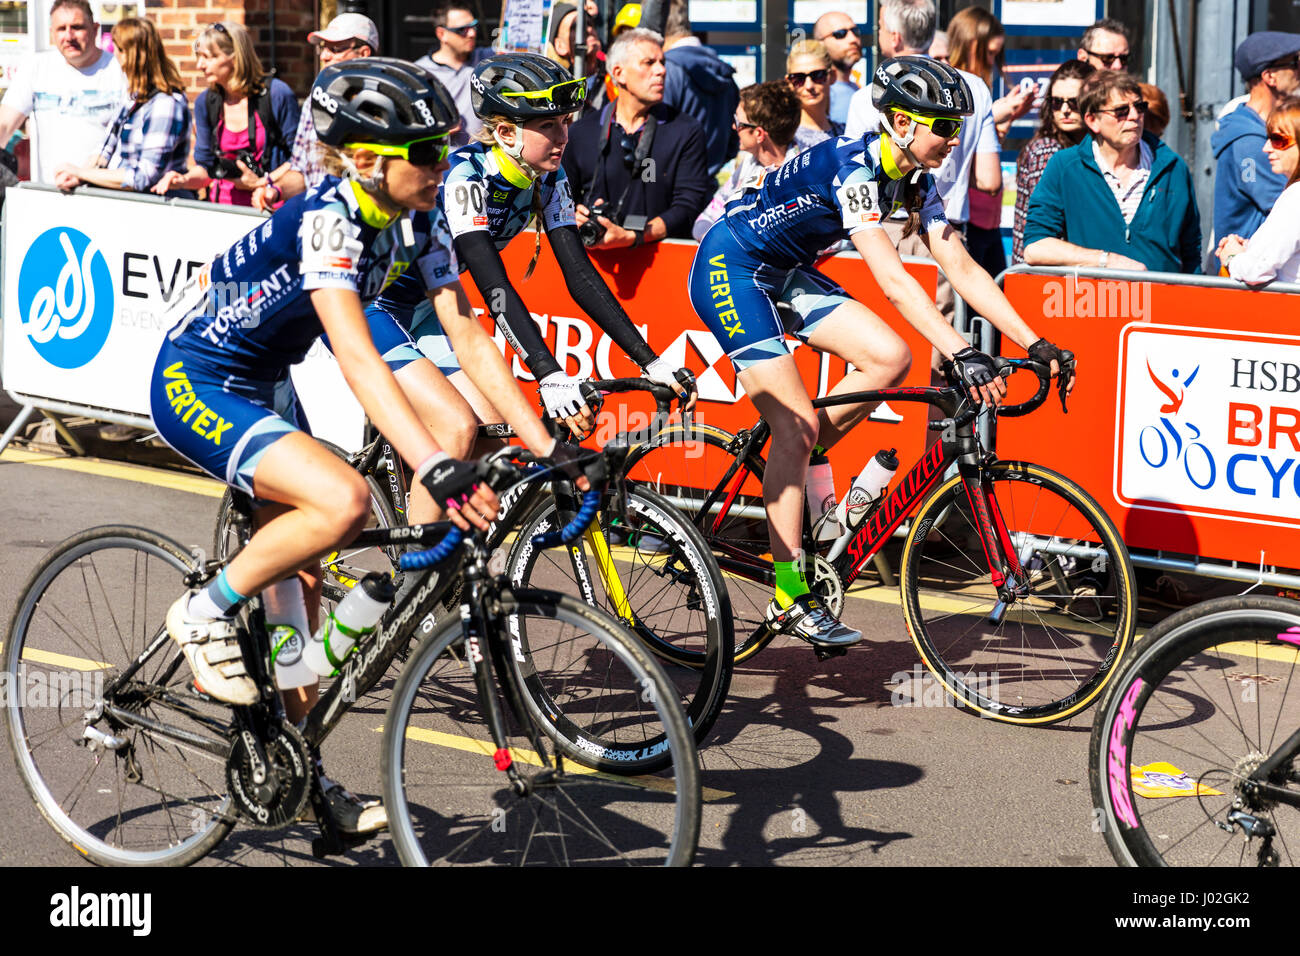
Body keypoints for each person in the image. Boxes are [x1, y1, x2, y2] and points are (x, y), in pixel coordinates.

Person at [149, 59, 501, 835]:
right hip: (197, 379)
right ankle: (202, 613)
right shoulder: (331, 219)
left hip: (265, 379)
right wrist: (437, 466)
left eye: (447, 148)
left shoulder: (409, 218)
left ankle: (299, 772)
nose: (445, 164)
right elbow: (357, 357)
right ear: (372, 160)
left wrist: (549, 443)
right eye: (430, 153)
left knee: (301, 595)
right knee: (344, 499)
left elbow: (466, 334)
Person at [686, 57, 1069, 647]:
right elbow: (893, 282)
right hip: (730, 265)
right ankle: (790, 590)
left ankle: (795, 463)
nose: (954, 139)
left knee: (891, 360)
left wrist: (1036, 342)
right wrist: (964, 351)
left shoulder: (915, 178)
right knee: (794, 428)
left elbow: (960, 265)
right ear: (900, 122)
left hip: (785, 271)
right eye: (943, 126)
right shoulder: (856, 172)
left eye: (959, 126)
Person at [448, 52, 695, 436]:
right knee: (460, 431)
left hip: (434, 305)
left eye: (565, 122)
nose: (564, 137)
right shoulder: (466, 176)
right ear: (506, 133)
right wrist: (547, 373)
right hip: (387, 307)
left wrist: (650, 361)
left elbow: (580, 276)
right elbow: (494, 287)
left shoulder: (549, 176)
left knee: (490, 440)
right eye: (548, 125)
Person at [1023, 69, 1201, 274]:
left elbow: (1192, 254)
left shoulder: (1173, 167)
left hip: (1162, 302)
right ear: (1092, 120)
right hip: (1092, 302)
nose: (1134, 117)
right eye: (1121, 111)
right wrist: (1105, 261)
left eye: (1140, 107)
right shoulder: (1065, 166)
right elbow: (1035, 247)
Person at [563, 29, 712, 248]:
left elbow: (689, 206)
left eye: (662, 62)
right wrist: (573, 216)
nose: (661, 70)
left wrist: (633, 237)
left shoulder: (686, 130)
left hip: (662, 262)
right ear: (619, 73)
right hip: (593, 261)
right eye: (649, 62)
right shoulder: (581, 132)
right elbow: (558, 201)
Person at [151, 21, 298, 205]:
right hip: (224, 210)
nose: (200, 65)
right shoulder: (206, 102)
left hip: (270, 208)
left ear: (236, 57)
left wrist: (263, 182)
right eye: (199, 57)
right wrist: (183, 180)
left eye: (208, 57)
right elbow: (205, 169)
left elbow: (300, 158)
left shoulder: (276, 94)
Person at [250, 13, 379, 209]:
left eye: (335, 49)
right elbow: (302, 172)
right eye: (323, 48)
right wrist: (275, 191)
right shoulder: (315, 99)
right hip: (318, 219)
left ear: (363, 53)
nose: (324, 56)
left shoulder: (381, 104)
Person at [53, 18, 190, 196]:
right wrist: (77, 178)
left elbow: (143, 177)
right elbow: (104, 150)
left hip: (154, 211)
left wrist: (82, 173)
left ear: (128, 54)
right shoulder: (132, 98)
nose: (113, 54)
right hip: (125, 206)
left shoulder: (166, 104)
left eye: (115, 47)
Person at [946, 6, 1032, 277]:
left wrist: (1005, 118)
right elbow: (952, 149)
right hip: (966, 215)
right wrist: (998, 114)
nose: (994, 61)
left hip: (986, 214)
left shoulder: (981, 90)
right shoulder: (948, 89)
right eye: (991, 53)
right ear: (973, 45)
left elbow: (985, 152)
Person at [0, 0, 126, 185]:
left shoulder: (119, 71)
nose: (68, 36)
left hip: (108, 195)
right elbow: (4, 125)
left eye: (77, 27)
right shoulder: (37, 68)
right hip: (53, 195)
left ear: (95, 29)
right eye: (61, 28)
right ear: (52, 32)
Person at [1211, 33, 1300, 246]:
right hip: (1252, 270)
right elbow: (1290, 206)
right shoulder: (1250, 142)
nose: (1299, 70)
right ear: (1270, 77)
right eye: (1294, 63)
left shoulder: (1258, 131)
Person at [693, 80, 801, 240]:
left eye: (739, 122)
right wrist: (721, 242)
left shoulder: (801, 173)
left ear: (758, 134)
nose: (733, 127)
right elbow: (705, 220)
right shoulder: (748, 164)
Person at [1012, 59, 1095, 263]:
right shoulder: (1047, 151)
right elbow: (1046, 225)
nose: (1065, 110)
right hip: (1040, 274)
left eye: (1074, 102)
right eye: (1057, 102)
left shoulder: (1083, 149)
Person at [1218, 96, 1300, 285]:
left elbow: (1255, 270)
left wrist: (1231, 257)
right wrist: (1251, 248)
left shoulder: (1295, 198)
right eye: (1268, 139)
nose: (1266, 148)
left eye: (1278, 140)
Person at [662, 0, 740, 177]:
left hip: (674, 191)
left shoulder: (668, 71)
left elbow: (658, 138)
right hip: (709, 186)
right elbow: (734, 140)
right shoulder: (724, 72)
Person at [415, 3, 485, 148]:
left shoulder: (487, 59)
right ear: (441, 34)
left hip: (486, 160)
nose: (472, 33)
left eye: (473, 26)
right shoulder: (420, 72)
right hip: (445, 162)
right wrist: (435, 128)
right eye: (462, 30)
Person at [786, 40, 843, 150]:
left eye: (818, 75)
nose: (809, 86)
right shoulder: (782, 139)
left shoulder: (848, 133)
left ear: (832, 76)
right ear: (789, 83)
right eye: (798, 78)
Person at [813, 10, 866, 127]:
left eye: (855, 31)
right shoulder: (815, 93)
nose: (853, 39)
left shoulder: (856, 89)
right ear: (820, 44)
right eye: (840, 34)